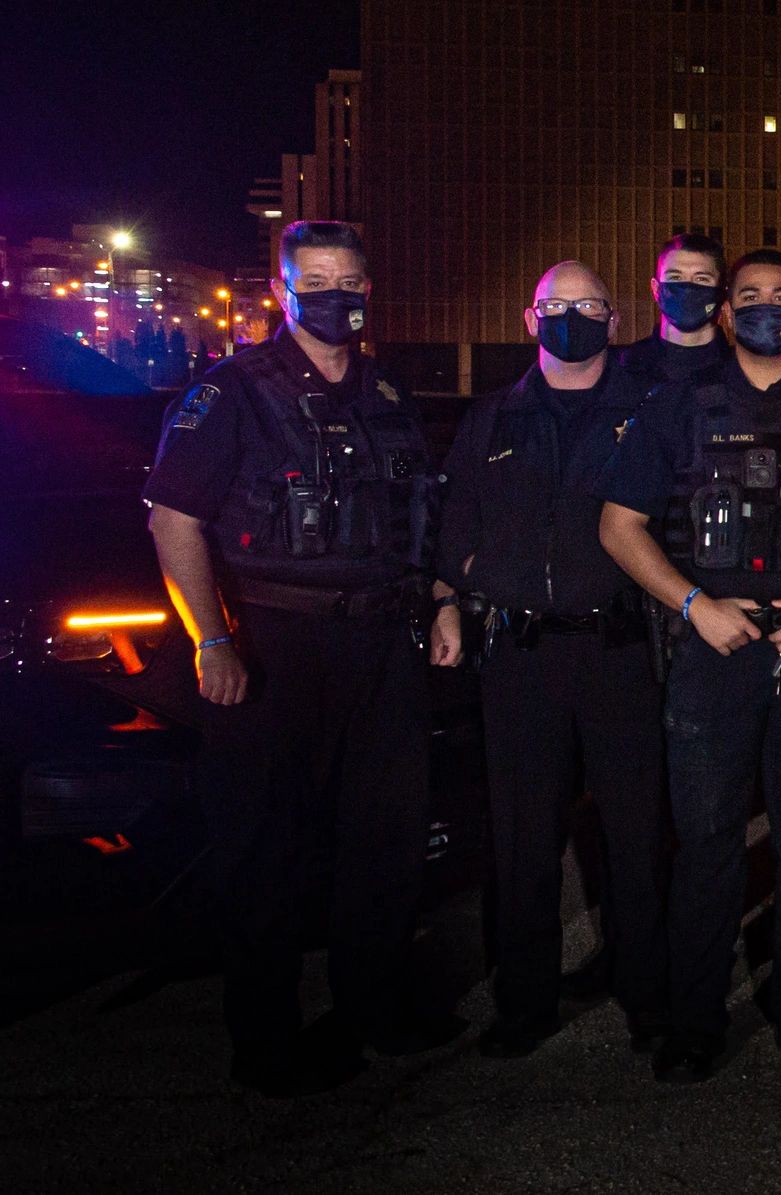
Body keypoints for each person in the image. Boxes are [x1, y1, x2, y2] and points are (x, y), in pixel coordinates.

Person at [141, 219, 457, 1095]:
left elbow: (418, 520)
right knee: (265, 852)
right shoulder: (230, 392)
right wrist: (213, 639)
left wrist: (438, 600)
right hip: (274, 644)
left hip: (382, 645)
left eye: (349, 280)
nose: (336, 296)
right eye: (316, 280)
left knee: (385, 846)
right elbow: (174, 519)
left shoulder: (386, 395)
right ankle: (268, 1044)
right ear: (282, 290)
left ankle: (375, 1010)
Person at [597, 250, 781, 1081]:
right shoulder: (677, 405)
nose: (766, 307)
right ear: (724, 311)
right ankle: (695, 1020)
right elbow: (619, 526)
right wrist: (690, 605)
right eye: (749, 296)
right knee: (707, 846)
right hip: (713, 651)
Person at [431, 260, 668, 1059]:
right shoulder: (494, 416)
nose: (574, 316)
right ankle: (524, 1003)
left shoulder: (649, 410)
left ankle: (646, 995)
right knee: (523, 837)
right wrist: (461, 588)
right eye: (557, 305)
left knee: (636, 835)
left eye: (590, 304)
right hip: (522, 654)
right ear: (531, 320)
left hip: (620, 649)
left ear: (614, 315)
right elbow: (453, 514)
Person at [620, 232, 731, 391]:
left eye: (701, 279)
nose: (687, 289)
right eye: (675, 278)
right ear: (656, 289)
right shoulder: (623, 367)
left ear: (721, 291)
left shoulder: (743, 372)